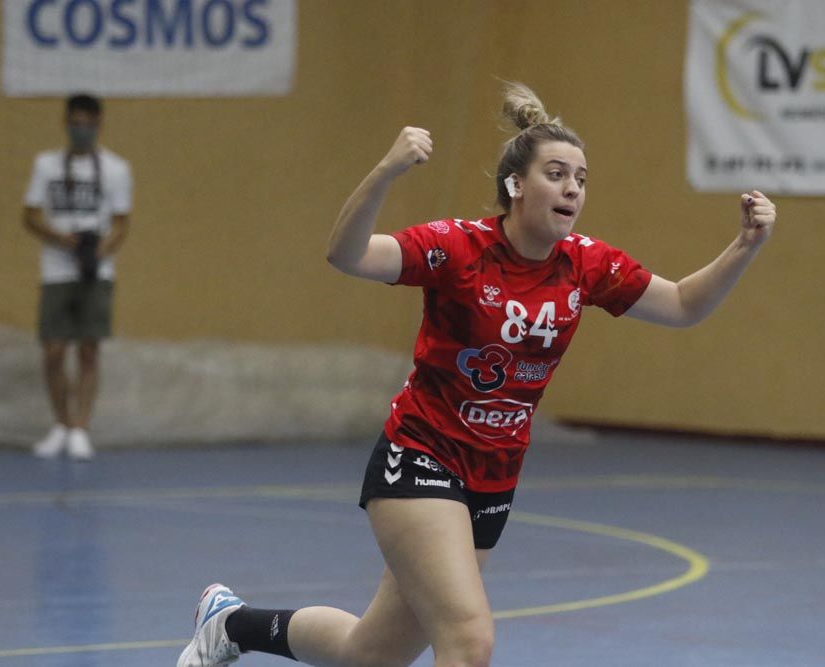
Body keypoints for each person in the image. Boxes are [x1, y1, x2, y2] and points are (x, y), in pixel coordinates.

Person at [178, 82, 777, 667]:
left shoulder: (587, 264)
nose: (573, 189)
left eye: (582, 179)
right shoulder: (459, 249)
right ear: (516, 185)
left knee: (372, 653)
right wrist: (387, 170)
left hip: (493, 477)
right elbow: (347, 254)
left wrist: (744, 246)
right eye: (557, 174)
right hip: (420, 455)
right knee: (469, 641)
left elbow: (681, 305)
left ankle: (229, 624)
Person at [24, 93, 133, 460]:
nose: (81, 129)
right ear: (66, 122)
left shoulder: (116, 169)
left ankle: (81, 428)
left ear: (99, 124)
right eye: (75, 121)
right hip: (56, 269)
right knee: (54, 350)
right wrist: (58, 238)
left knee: (89, 347)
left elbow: (121, 222)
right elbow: (30, 214)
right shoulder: (46, 164)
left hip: (95, 270)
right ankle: (61, 423)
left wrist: (102, 249)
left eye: (88, 122)